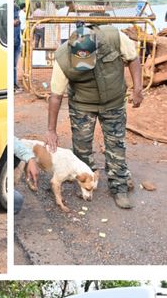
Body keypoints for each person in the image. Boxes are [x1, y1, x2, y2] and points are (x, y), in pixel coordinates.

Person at [46, 24, 143, 209]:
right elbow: (56, 96)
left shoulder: (114, 37)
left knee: (116, 146)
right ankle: (84, 179)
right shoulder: (62, 58)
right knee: (81, 148)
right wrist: (51, 130)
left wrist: (138, 88)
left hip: (113, 102)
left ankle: (119, 186)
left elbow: (133, 59)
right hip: (82, 105)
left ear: (97, 47)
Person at [14, 0, 22, 90]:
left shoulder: (16, 8)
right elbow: (15, 22)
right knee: (13, 65)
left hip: (17, 40)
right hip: (14, 41)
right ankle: (13, 84)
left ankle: (14, 83)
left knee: (14, 65)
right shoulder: (13, 8)